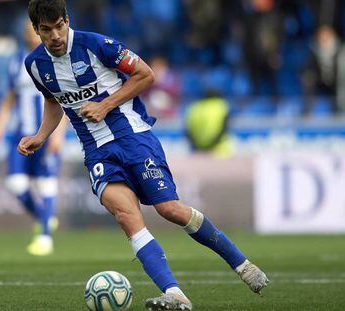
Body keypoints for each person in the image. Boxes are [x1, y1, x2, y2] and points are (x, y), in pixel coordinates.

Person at [18, 0, 269, 309]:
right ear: (36, 30)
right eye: (47, 30)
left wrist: (105, 105)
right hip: (97, 152)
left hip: (134, 138)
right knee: (126, 216)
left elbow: (145, 75)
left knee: (169, 209)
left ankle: (242, 265)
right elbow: (54, 101)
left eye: (59, 26)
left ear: (67, 20)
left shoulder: (97, 45)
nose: (55, 35)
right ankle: (175, 295)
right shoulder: (35, 64)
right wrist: (41, 136)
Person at [0, 20, 67, 256]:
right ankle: (43, 217)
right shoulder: (17, 63)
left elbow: (64, 101)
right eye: (27, 31)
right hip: (20, 134)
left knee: (46, 183)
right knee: (15, 183)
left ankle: (45, 237)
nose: (30, 35)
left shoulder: (56, 61)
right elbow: (9, 99)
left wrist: (59, 134)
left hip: (46, 132)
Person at [185, 90, 234, 158]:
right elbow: (224, 128)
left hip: (198, 151)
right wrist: (210, 146)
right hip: (219, 151)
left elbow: (187, 130)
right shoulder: (221, 105)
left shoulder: (194, 107)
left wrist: (198, 146)